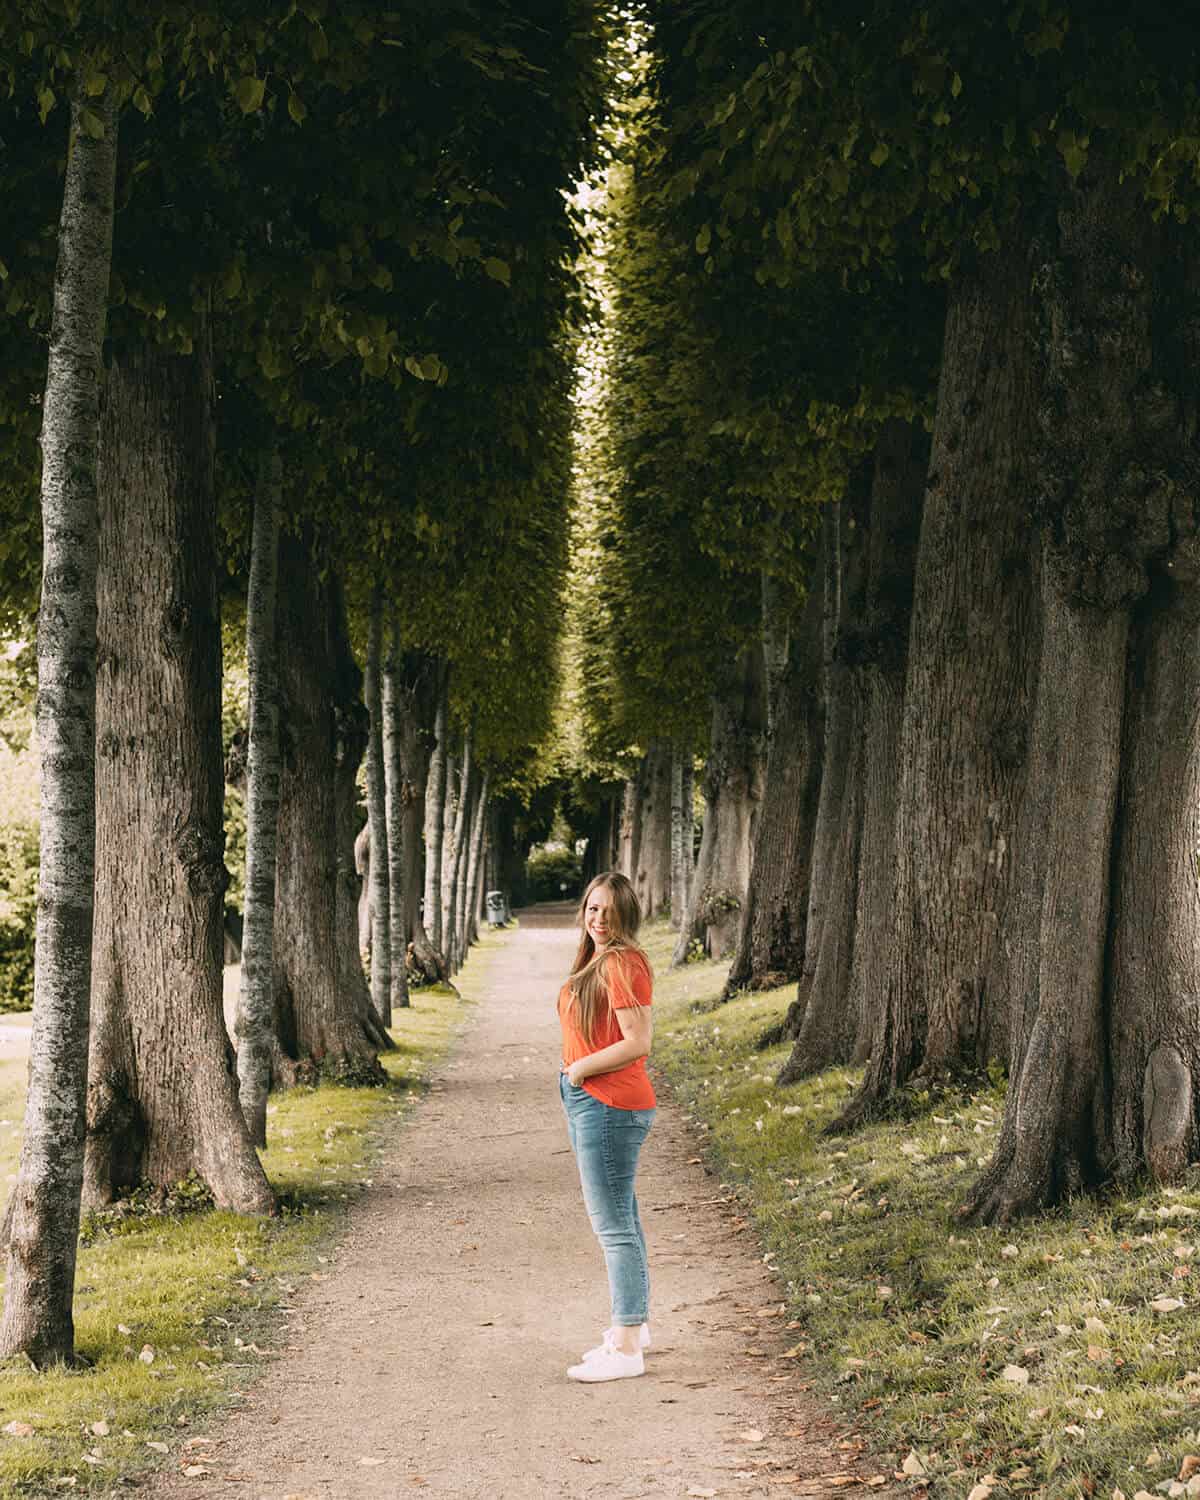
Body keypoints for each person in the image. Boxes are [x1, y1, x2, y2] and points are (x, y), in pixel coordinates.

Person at [558, 871, 656, 1383]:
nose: (598, 919)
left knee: (613, 1226)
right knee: (624, 1218)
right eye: (592, 908)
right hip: (597, 1100)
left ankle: (626, 1345)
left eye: (609, 911)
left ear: (624, 915)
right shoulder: (598, 959)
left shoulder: (620, 962)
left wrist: (579, 1070)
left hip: (607, 1102)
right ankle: (633, 1330)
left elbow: (638, 1041)